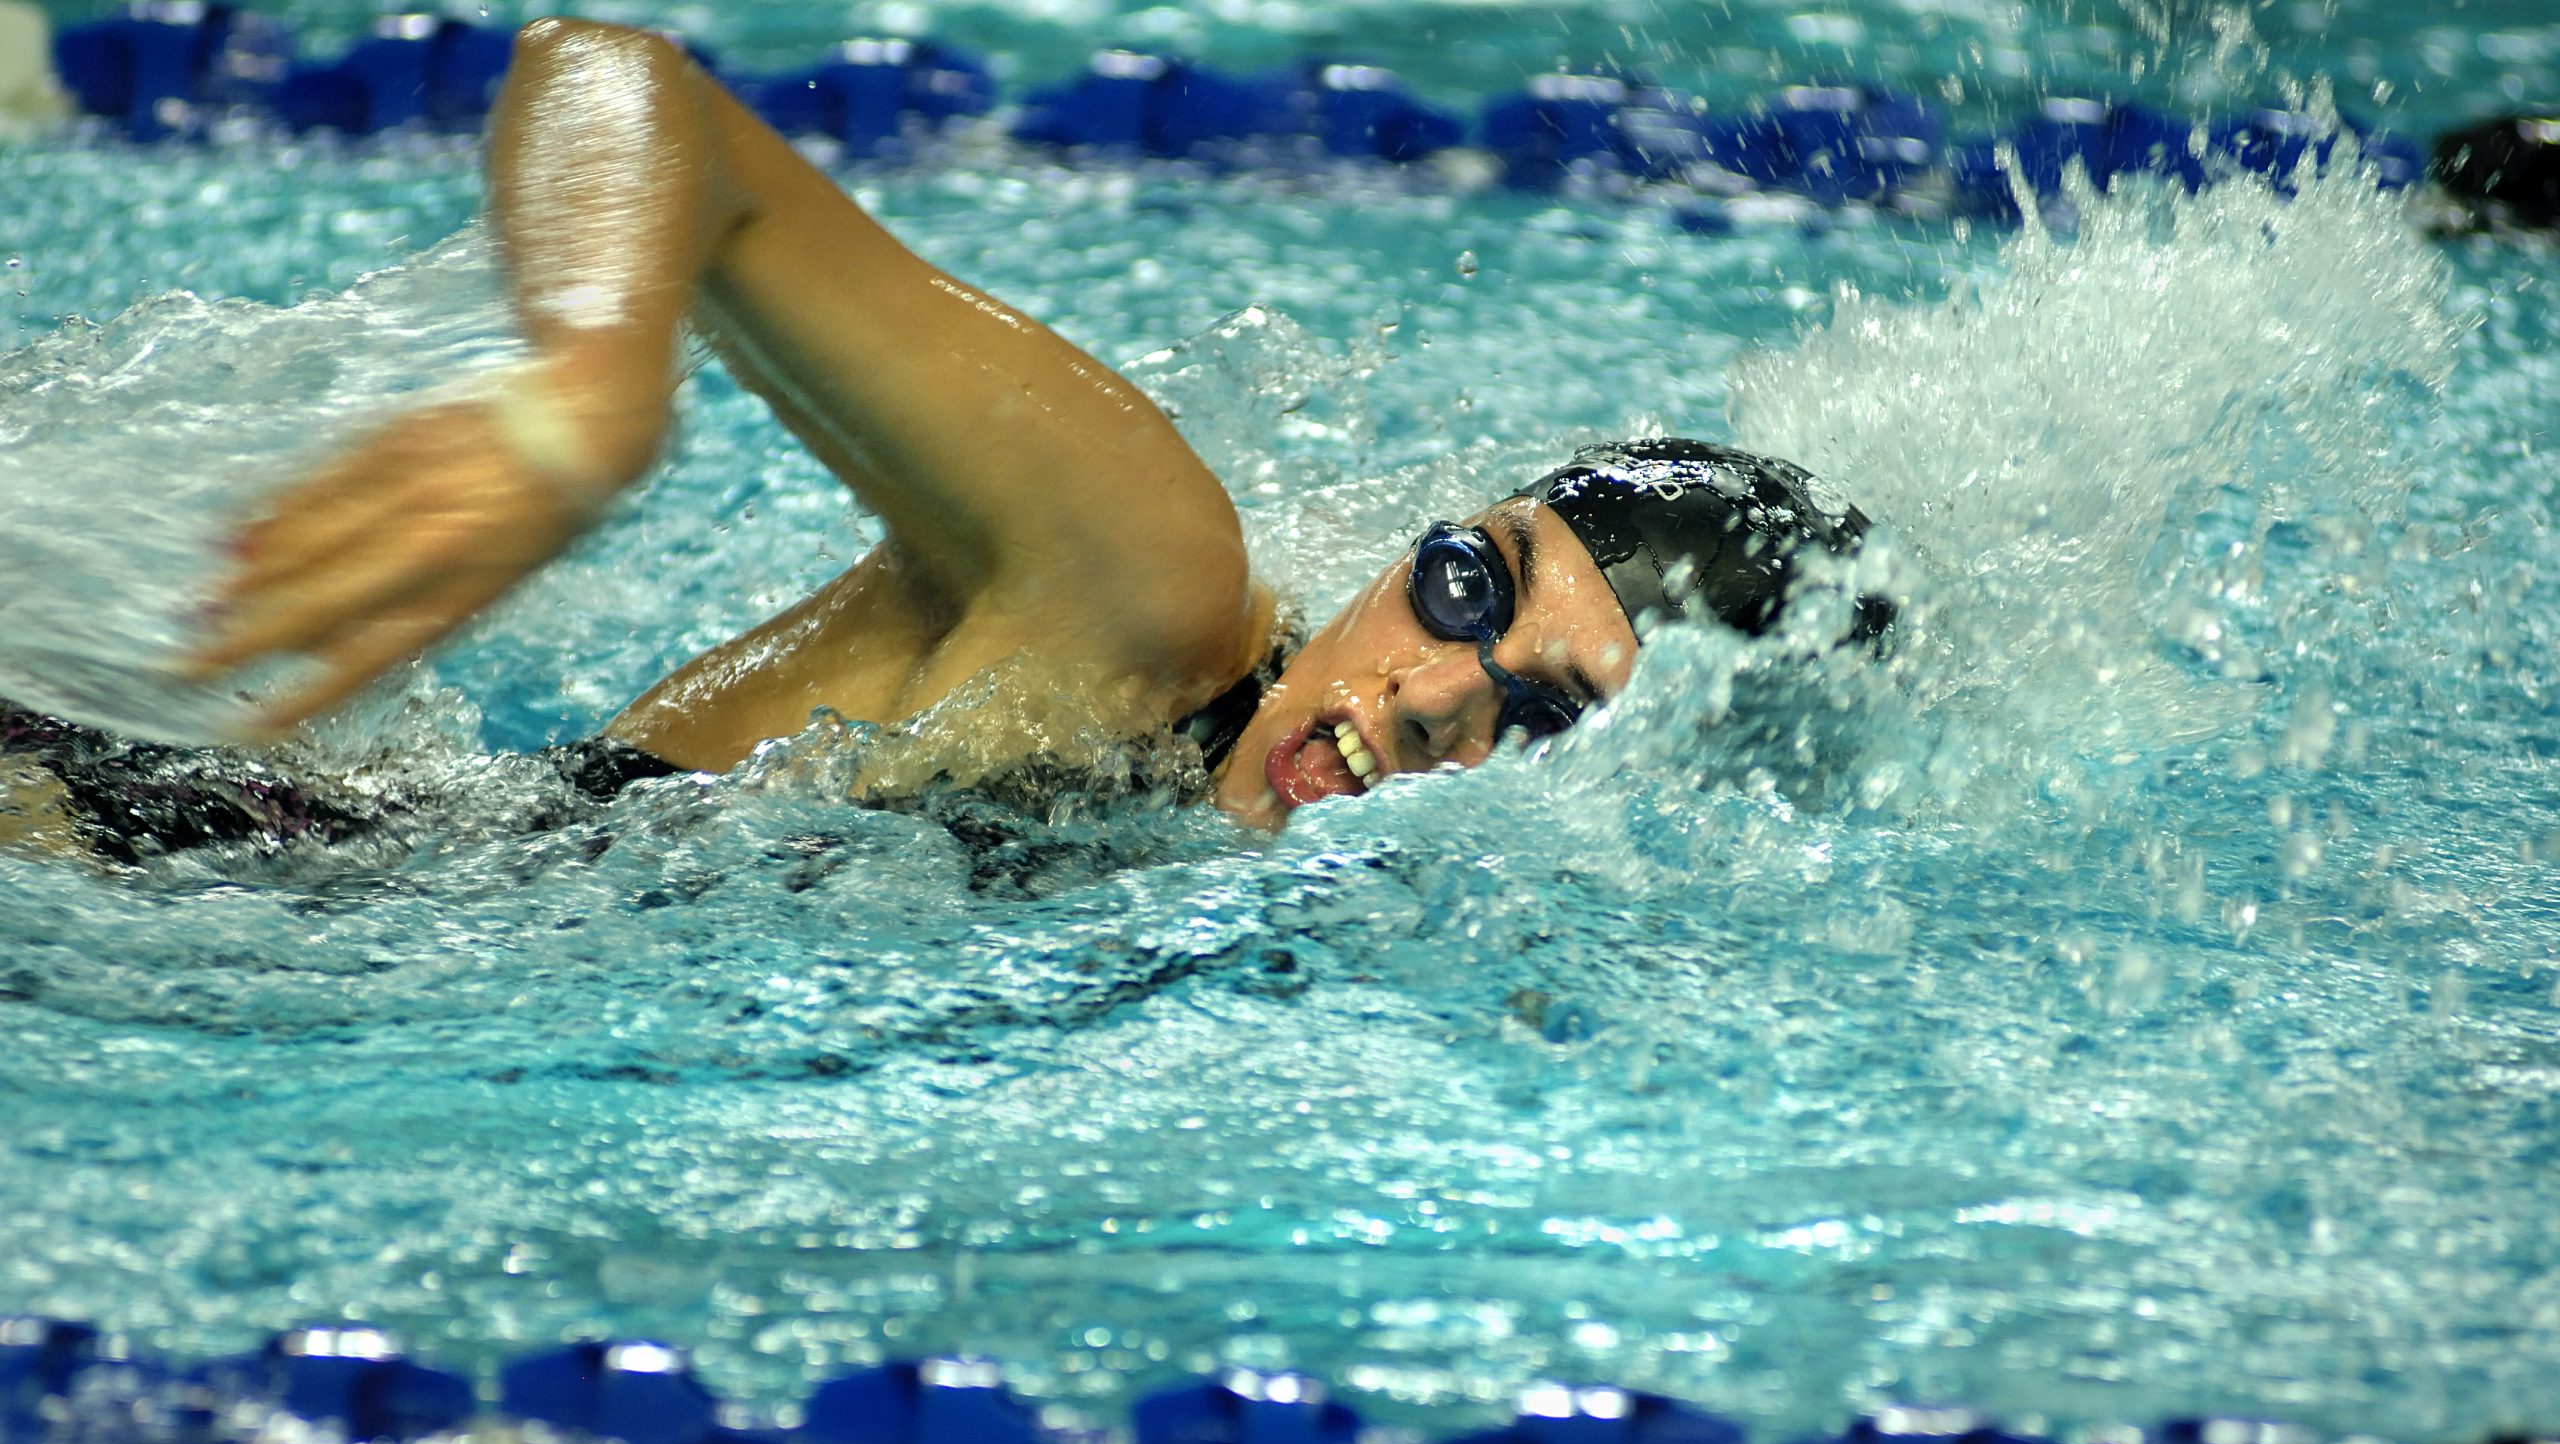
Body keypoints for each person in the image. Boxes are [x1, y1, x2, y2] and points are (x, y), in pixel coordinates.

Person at [5, 18, 1884, 862]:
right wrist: (588, 388)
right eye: (1464, 587)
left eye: (1536, 718)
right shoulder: (1149, 586)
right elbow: (617, 81)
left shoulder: (1236, 848)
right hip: (150, 852)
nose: (1418, 701)